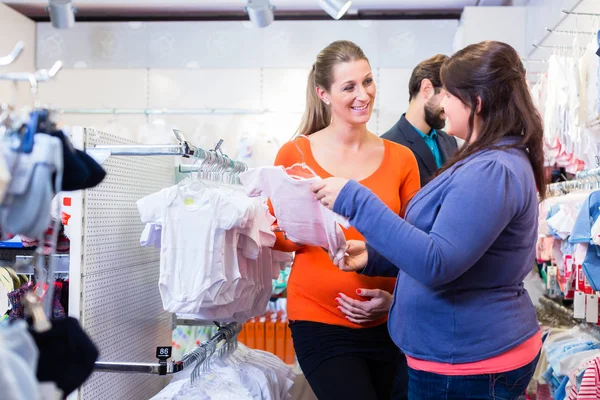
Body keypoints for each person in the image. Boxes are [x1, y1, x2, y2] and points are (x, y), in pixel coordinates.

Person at [311, 40, 545, 400]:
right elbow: (452, 245)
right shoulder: (483, 159)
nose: (440, 103)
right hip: (460, 356)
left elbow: (438, 261)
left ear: (477, 103)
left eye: (448, 94)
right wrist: (376, 256)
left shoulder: (492, 170)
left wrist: (354, 199)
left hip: (467, 365)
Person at [270, 40, 420, 400]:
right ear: (323, 93)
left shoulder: (402, 159)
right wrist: (298, 224)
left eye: (367, 82)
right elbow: (280, 238)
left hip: (390, 322)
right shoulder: (296, 153)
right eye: (349, 87)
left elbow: (415, 244)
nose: (363, 95)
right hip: (320, 318)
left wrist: (395, 301)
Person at [382, 54, 458, 187]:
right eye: (447, 95)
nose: (448, 105)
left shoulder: (450, 141)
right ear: (427, 89)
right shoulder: (387, 146)